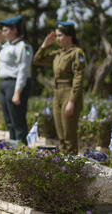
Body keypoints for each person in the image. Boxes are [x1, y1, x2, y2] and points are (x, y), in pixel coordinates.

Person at [33, 21, 85, 154]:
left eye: (60, 35)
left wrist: (72, 101)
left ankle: (73, 166)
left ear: (69, 36)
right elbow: (37, 60)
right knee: (60, 134)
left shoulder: (76, 53)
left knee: (69, 134)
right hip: (57, 94)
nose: (57, 39)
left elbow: (78, 79)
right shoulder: (58, 54)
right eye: (56, 36)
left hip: (69, 93)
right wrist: (44, 45)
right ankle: (64, 165)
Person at [0, 15, 33, 144]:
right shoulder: (7, 45)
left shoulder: (23, 46)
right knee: (9, 120)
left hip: (15, 84)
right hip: (4, 84)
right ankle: (12, 147)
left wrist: (17, 91)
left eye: (5, 30)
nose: (3, 33)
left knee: (18, 120)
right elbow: (1, 55)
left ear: (14, 30)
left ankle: (21, 148)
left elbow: (23, 69)